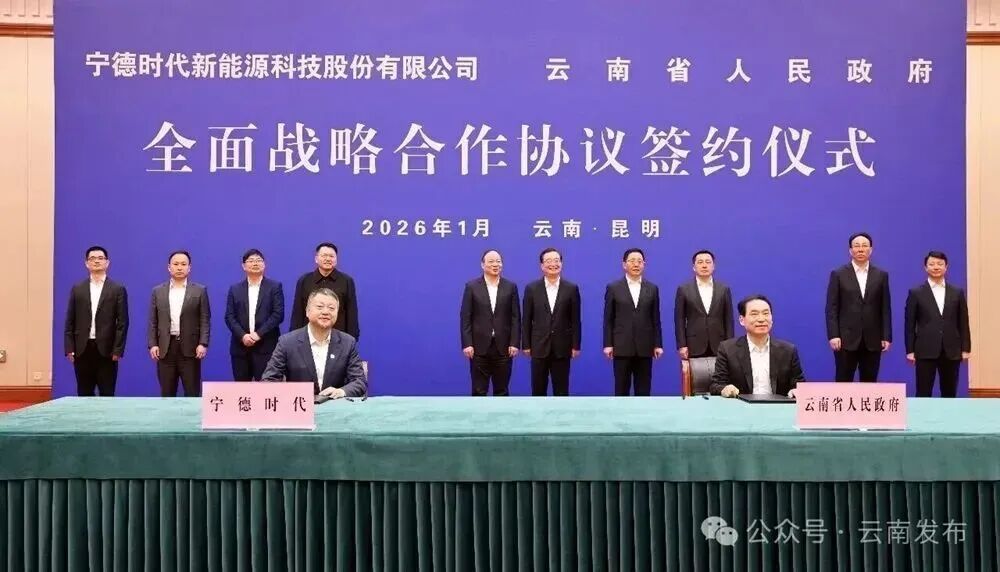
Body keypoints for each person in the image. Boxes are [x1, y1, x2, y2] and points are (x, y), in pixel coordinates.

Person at [261, 288, 367, 399]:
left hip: (335, 407)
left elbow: (359, 381)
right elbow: (269, 380)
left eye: (331, 308)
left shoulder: (347, 342)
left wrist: (341, 391)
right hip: (300, 406)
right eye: (320, 307)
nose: (325, 312)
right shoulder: (287, 342)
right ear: (307, 311)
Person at [825, 232, 892, 382]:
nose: (860, 249)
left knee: (870, 382)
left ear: (871, 250)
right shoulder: (838, 274)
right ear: (850, 250)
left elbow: (885, 308)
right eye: (856, 246)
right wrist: (833, 335)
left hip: (873, 339)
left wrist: (886, 336)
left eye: (864, 246)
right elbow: (832, 308)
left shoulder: (881, 275)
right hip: (845, 339)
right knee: (843, 381)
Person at [63, 246, 129, 396]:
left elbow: (123, 322)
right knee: (84, 393)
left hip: (107, 351)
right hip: (82, 349)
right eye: (92, 258)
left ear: (107, 263)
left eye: (100, 258)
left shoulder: (117, 289)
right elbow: (70, 320)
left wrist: (117, 350)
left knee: (107, 393)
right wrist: (69, 347)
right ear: (86, 263)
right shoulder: (78, 289)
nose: (96, 261)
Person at [904, 251, 971, 398]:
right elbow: (909, 324)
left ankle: (948, 414)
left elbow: (963, 321)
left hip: (951, 350)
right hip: (925, 350)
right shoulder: (916, 293)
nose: (936, 267)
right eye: (932, 264)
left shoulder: (957, 292)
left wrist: (965, 348)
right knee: (923, 392)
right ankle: (922, 414)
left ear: (946, 267)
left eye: (940, 264)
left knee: (949, 392)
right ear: (925, 267)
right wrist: (910, 350)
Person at [710, 294, 804, 398]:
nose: (761, 319)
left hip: (777, 405)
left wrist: (796, 391)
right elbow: (716, 385)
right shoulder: (727, 349)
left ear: (771, 318)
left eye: (766, 313)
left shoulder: (788, 351)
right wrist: (725, 389)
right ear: (742, 320)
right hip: (742, 406)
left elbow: (799, 384)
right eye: (754, 314)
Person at [147, 250, 210, 397]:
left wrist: (203, 343)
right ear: (169, 267)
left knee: (192, 392)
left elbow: (205, 319)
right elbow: (153, 320)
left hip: (191, 349)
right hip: (166, 348)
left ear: (189, 268)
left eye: (183, 264)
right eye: (176, 264)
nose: (179, 267)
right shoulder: (158, 291)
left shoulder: (200, 290)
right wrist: (153, 344)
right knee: (167, 393)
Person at [602, 248, 664, 396]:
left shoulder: (652, 288)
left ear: (644, 264)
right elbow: (608, 318)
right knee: (621, 389)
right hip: (621, 346)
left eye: (639, 261)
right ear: (624, 264)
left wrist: (658, 344)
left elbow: (655, 318)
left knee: (643, 390)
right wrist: (608, 344)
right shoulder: (614, 288)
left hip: (645, 346)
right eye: (632, 261)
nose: (636, 264)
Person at [460, 249, 520, 396]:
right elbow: (466, 317)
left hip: (504, 347)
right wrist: (467, 343)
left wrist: (514, 343)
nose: (495, 264)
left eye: (498, 261)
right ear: (483, 265)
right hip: (478, 347)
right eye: (491, 261)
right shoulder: (472, 287)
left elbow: (515, 317)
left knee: (502, 391)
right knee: (479, 391)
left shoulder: (510, 287)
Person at [522, 248, 581, 396]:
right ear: (542, 266)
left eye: (556, 260)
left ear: (561, 263)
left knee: (561, 390)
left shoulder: (571, 288)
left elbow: (575, 320)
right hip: (538, 347)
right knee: (538, 390)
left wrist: (575, 345)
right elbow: (526, 319)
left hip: (562, 347)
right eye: (548, 261)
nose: (553, 264)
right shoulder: (532, 289)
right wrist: (526, 344)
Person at [224, 249, 284, 381]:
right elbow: (229, 316)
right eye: (251, 261)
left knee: (267, 387)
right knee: (242, 389)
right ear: (244, 266)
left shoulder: (274, 287)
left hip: (266, 346)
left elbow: (278, 315)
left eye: (258, 260)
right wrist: (243, 336)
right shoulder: (235, 289)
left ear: (264, 264)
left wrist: (258, 334)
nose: (255, 263)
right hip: (240, 348)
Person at [289, 242, 359, 339]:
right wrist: (294, 337)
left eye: (331, 256)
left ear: (336, 259)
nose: (328, 259)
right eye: (324, 255)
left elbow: (351, 312)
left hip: (338, 338)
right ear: (316, 259)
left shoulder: (346, 281)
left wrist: (352, 338)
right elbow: (298, 311)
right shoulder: (305, 280)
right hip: (309, 337)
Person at [673, 249, 733, 359]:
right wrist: (682, 345)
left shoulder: (724, 289)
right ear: (694, 267)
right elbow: (679, 320)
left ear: (713, 266)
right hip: (694, 344)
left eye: (708, 262)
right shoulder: (684, 289)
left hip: (720, 344)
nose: (704, 265)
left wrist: (730, 344)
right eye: (700, 262)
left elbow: (728, 319)